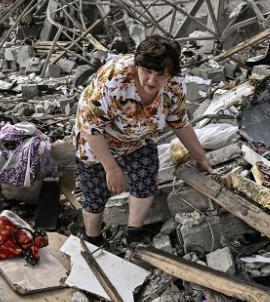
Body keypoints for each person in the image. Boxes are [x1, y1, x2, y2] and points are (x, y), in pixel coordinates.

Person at [73, 35, 214, 246]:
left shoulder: (174, 86)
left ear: (171, 74)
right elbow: (91, 128)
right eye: (146, 71)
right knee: (95, 190)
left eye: (161, 74)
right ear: (137, 64)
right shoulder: (114, 80)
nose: (151, 80)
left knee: (146, 174)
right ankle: (93, 238)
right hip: (96, 139)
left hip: (136, 137)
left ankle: (134, 233)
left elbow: (180, 122)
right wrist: (111, 168)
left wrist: (200, 156)